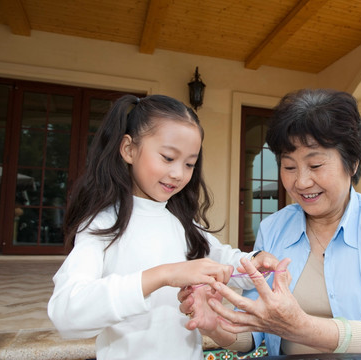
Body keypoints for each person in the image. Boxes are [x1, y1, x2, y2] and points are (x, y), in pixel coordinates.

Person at [178, 89, 361, 356]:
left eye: (315, 165)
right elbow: (253, 332)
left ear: (352, 163)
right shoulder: (274, 228)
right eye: (289, 167)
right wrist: (216, 326)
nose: (301, 182)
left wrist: (300, 327)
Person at [47, 94, 278, 360]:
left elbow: (226, 263)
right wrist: (164, 274)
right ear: (128, 149)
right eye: (168, 158)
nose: (179, 173)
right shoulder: (102, 225)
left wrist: (256, 263)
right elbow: (66, 312)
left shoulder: (182, 223)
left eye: (189, 163)